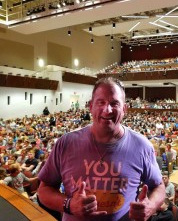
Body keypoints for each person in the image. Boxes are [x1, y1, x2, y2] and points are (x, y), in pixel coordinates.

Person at [38, 77, 165, 221]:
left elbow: (159, 186)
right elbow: (44, 190)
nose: (107, 109)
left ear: (124, 109)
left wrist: (151, 206)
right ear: (91, 106)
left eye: (114, 103)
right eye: (101, 102)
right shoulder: (66, 143)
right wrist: (69, 204)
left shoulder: (141, 145)